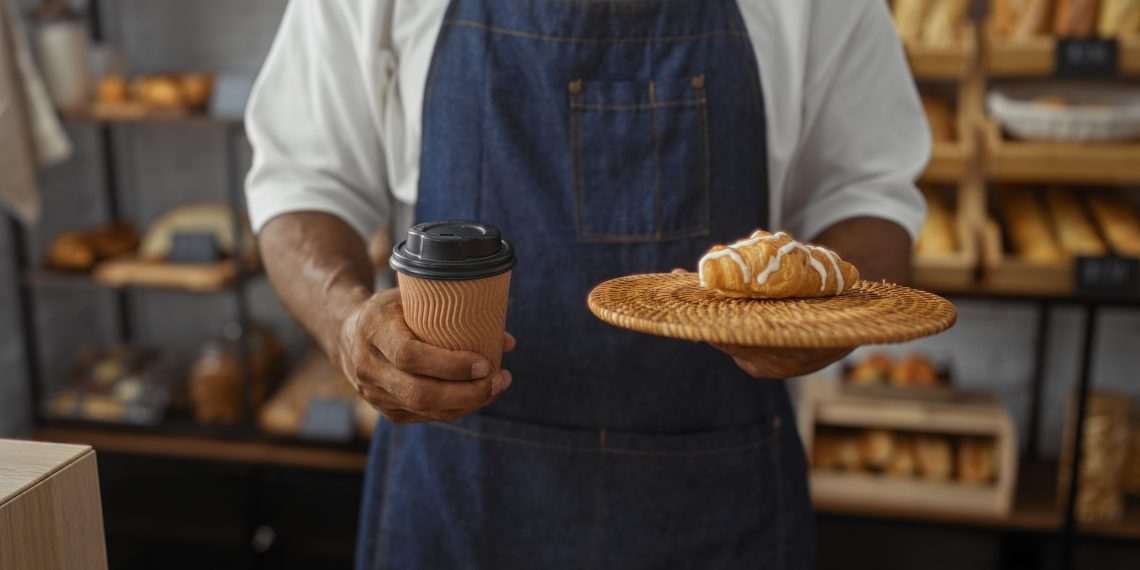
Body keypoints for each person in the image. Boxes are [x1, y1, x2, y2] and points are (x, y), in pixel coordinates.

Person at [245, 0, 929, 568]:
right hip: (457, 502)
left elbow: (868, 197)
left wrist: (824, 321)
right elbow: (302, 181)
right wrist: (345, 323)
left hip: (719, 504)